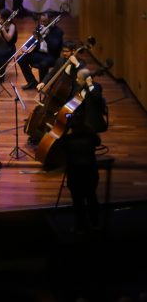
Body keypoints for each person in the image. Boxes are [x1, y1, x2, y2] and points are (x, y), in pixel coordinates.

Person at [60, 68, 106, 234]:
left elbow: (97, 99)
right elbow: (97, 141)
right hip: (90, 172)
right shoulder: (91, 137)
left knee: (78, 201)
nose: (77, 81)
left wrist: (90, 85)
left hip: (75, 174)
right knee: (91, 197)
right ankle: (95, 225)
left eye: (79, 79)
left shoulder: (96, 88)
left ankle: (82, 226)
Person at [18, 11, 64, 90]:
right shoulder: (40, 27)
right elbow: (33, 39)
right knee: (21, 58)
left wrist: (44, 36)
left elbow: (55, 46)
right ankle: (32, 82)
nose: (42, 23)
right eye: (41, 21)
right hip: (38, 53)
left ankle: (42, 84)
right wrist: (26, 47)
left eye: (45, 21)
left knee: (43, 64)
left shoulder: (58, 31)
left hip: (51, 56)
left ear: (51, 20)